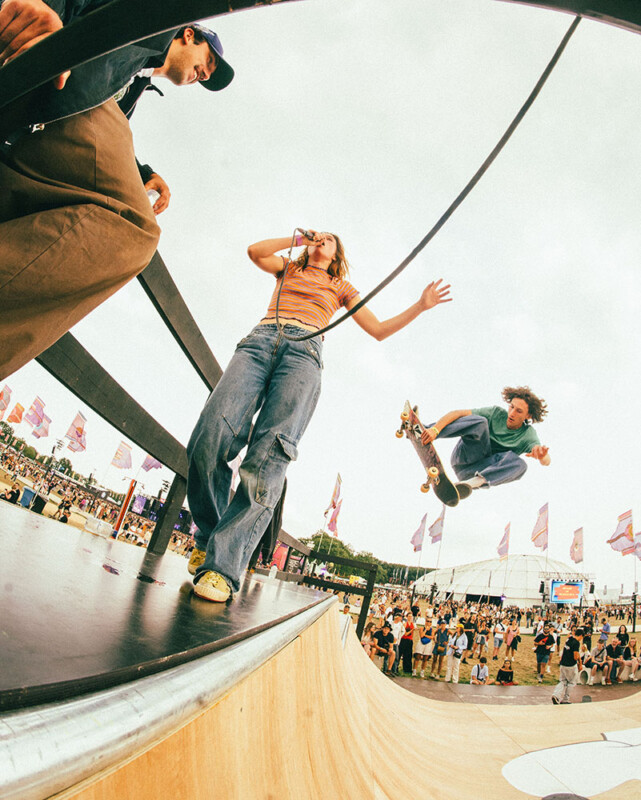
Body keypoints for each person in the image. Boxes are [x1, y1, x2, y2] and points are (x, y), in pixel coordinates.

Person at [186, 230, 452, 602]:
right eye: (317, 236)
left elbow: (377, 330)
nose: (320, 239)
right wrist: (296, 238)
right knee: (210, 433)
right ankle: (209, 534)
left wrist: (420, 306)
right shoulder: (287, 269)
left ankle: (222, 567)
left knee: (269, 455)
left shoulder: (341, 286)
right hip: (261, 340)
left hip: (304, 352)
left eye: (328, 239)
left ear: (336, 252)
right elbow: (254, 251)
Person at [0, 1, 234, 380]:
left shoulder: (134, 83)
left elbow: (96, 131)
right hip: (51, 71)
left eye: (209, 77)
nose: (205, 75)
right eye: (209, 62)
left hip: (38, 125)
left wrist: (142, 172)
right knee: (136, 228)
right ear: (188, 34)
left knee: (62, 217)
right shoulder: (148, 22)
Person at [419, 386, 549, 495]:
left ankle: (469, 484)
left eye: (519, 411)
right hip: (466, 456)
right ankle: (423, 430)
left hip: (477, 472)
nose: (512, 413)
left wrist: (542, 456)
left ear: (528, 416)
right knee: (480, 422)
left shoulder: (527, 434)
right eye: (511, 407)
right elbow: (457, 413)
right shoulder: (495, 413)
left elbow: (546, 461)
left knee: (521, 465)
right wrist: (434, 430)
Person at [552, 627, 583, 705]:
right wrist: (579, 662)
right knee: (571, 682)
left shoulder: (568, 640)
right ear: (581, 636)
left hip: (563, 663)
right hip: (571, 665)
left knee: (562, 681)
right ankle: (566, 699)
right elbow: (575, 656)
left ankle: (556, 694)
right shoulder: (576, 643)